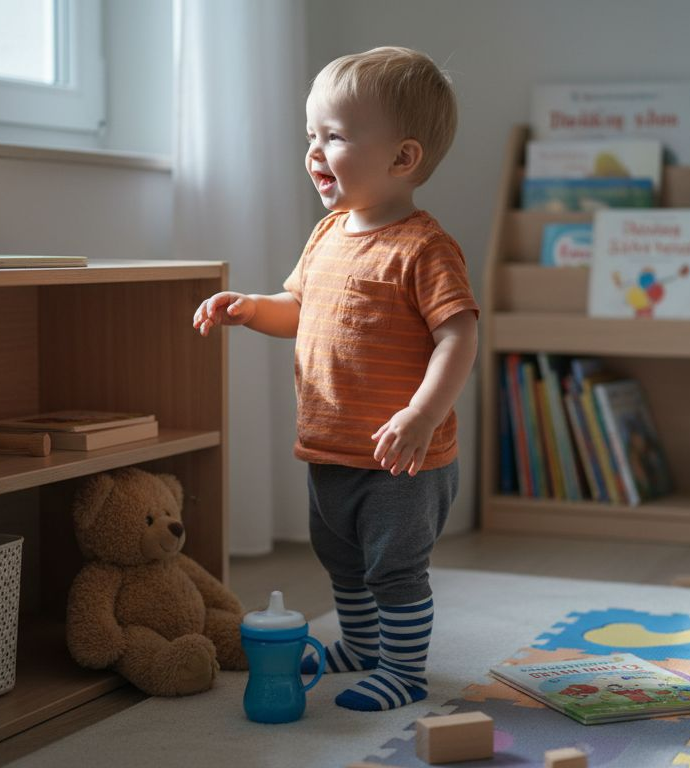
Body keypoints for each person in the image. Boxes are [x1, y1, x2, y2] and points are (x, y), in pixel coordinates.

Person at [192, 46, 477, 712]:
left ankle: (404, 671)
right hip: (331, 447)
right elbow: (301, 310)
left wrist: (424, 414)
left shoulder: (423, 248)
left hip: (402, 457)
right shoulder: (326, 235)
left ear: (403, 159)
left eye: (336, 137)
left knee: (393, 566)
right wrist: (249, 309)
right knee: (341, 558)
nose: (315, 152)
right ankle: (361, 645)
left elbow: (458, 334)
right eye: (310, 137)